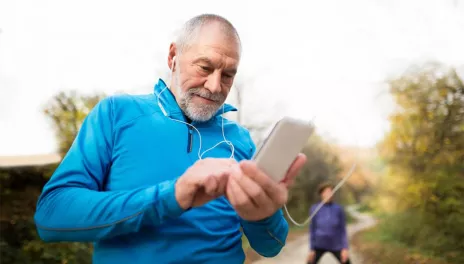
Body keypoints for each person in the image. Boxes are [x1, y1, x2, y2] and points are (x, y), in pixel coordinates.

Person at [33, 14, 307, 264]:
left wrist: (263, 215)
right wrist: (172, 195)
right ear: (173, 56)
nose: (214, 86)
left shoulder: (241, 140)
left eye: (227, 75)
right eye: (204, 67)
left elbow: (271, 246)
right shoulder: (116, 113)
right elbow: (51, 217)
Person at [307, 182, 351, 264]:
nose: (329, 194)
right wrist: (311, 249)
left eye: (331, 191)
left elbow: (343, 230)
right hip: (319, 244)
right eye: (327, 192)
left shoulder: (338, 209)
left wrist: (345, 248)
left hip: (336, 244)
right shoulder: (314, 209)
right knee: (310, 262)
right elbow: (312, 229)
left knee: (347, 261)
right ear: (321, 194)